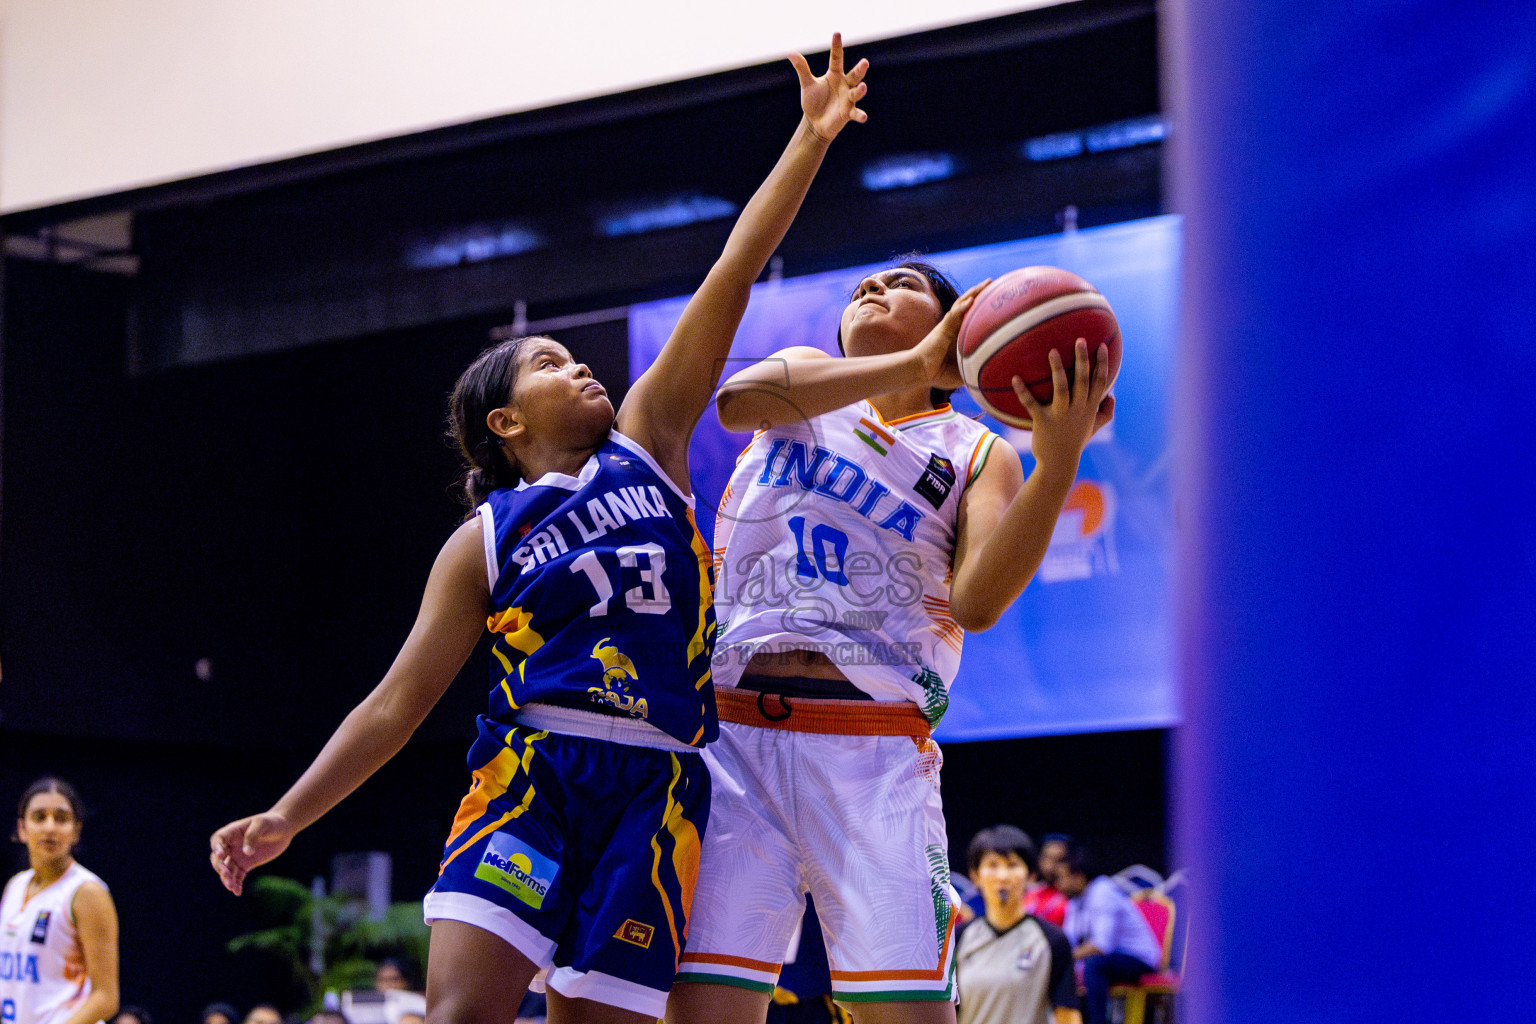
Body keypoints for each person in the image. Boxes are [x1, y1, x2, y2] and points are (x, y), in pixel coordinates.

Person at [209, 34, 870, 1024]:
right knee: (460, 1016)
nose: (580, 368)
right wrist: (287, 814)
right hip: (531, 771)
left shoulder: (649, 442)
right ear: (503, 423)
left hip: (657, 786)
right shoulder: (484, 539)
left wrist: (811, 139)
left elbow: (734, 269)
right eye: (552, 362)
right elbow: (395, 706)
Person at [667, 209, 1114, 1022]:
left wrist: (1061, 460)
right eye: (865, 284)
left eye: (903, 283)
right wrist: (909, 358)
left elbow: (977, 602)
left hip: (873, 753)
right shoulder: (803, 381)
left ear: (958, 336)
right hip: (732, 743)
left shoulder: (976, 450)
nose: (873, 285)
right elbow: (735, 402)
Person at [0, 778, 119, 1024]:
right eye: (40, 817)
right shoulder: (15, 887)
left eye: (61, 818)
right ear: (22, 829)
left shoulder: (87, 892)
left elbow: (106, 997)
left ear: (76, 830)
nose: (50, 827)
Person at [955, 826, 1078, 1024]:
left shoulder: (1053, 940)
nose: (1002, 876)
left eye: (1012, 865)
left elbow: (1068, 1016)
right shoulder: (958, 939)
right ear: (975, 876)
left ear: (1031, 876)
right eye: (993, 865)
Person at [1054, 845, 1161, 1024]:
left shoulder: (1102, 892)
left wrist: (1068, 956)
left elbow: (1102, 946)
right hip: (1109, 960)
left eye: (1062, 878)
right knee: (1064, 968)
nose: (1058, 885)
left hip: (1138, 958)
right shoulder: (1075, 901)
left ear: (1078, 876)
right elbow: (1068, 941)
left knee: (1095, 965)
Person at [1023, 834, 1070, 928]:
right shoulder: (1031, 892)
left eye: (1059, 860)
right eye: (1047, 858)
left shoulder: (1072, 897)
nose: (1050, 866)